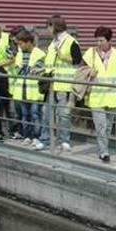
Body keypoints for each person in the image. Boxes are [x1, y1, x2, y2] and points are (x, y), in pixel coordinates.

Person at [35, 14, 83, 151]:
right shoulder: (52, 43)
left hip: (64, 84)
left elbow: (78, 61)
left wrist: (64, 56)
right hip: (50, 84)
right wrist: (42, 70)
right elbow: (51, 63)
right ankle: (44, 140)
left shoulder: (71, 41)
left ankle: (64, 140)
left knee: (64, 115)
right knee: (46, 113)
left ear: (55, 26)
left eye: (49, 26)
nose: (47, 29)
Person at [83, 26, 116, 163]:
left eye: (101, 40)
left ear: (109, 40)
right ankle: (104, 152)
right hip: (96, 97)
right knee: (100, 126)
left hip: (112, 97)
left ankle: (103, 147)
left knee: (108, 127)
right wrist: (89, 70)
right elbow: (80, 69)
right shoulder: (90, 53)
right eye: (97, 40)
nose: (98, 43)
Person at [10, 30, 45, 145]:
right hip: (22, 91)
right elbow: (18, 70)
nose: (19, 46)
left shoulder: (40, 54)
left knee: (35, 114)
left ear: (29, 42)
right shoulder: (20, 54)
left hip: (34, 92)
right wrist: (28, 69)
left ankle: (36, 136)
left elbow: (34, 70)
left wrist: (27, 69)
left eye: (21, 44)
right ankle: (27, 136)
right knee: (25, 115)